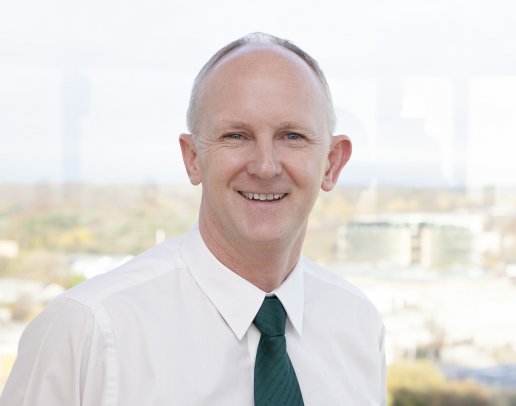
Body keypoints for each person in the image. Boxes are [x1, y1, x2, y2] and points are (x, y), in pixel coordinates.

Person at [1, 32, 386, 405]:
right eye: (236, 136)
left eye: (293, 137)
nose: (265, 166)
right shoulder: (90, 331)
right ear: (192, 158)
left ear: (332, 163)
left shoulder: (359, 325)